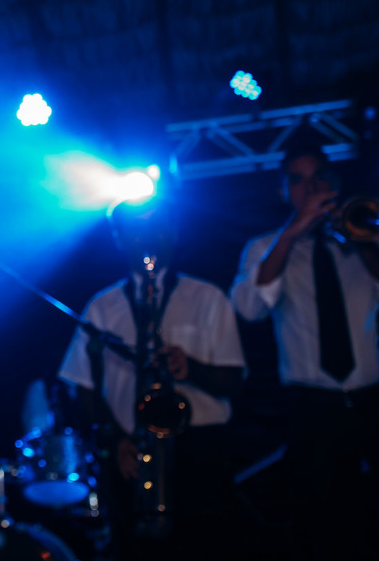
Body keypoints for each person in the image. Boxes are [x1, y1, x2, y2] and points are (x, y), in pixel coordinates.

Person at [231, 141, 379, 560]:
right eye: (298, 181)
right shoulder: (265, 248)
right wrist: (292, 231)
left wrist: (368, 244)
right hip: (315, 408)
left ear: (335, 182)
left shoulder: (374, 234)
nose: (311, 188)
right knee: (325, 528)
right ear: (283, 192)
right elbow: (249, 309)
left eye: (320, 177)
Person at [58, 196, 245, 561]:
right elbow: (82, 385)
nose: (147, 238)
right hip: (133, 452)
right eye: (135, 231)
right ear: (119, 238)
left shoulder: (208, 297)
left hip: (200, 450)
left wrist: (191, 368)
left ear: (174, 233)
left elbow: (234, 382)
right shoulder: (102, 306)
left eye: (157, 228)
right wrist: (117, 438)